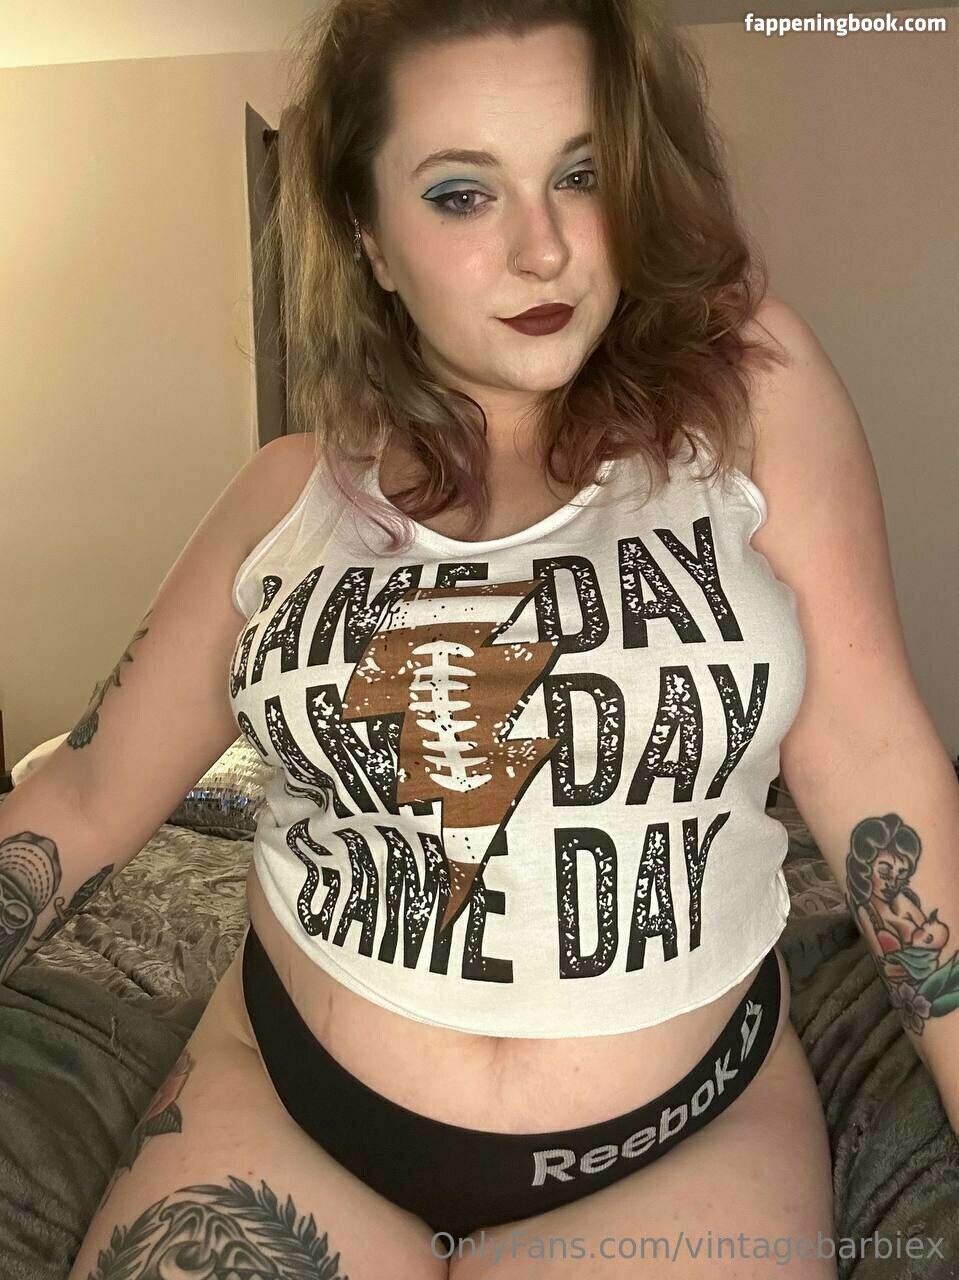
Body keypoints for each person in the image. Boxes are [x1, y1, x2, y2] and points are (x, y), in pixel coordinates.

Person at [45, 1, 951, 1276]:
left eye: (580, 174)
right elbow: (84, 793)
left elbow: (872, 759)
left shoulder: (747, 399)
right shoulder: (283, 494)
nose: (545, 249)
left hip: (676, 1143)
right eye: (461, 194)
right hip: (289, 1110)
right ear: (368, 236)